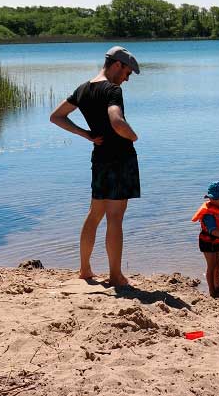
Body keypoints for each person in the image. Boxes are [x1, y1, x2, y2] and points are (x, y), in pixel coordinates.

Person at [50, 46, 141, 287]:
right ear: (117, 65)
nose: (127, 78)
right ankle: (115, 276)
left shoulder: (83, 89)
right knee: (115, 218)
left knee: (95, 214)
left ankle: (84, 269)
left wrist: (86, 135)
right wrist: (132, 136)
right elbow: (116, 120)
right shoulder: (112, 90)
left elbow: (56, 116)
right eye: (127, 72)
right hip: (120, 158)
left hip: (99, 157)